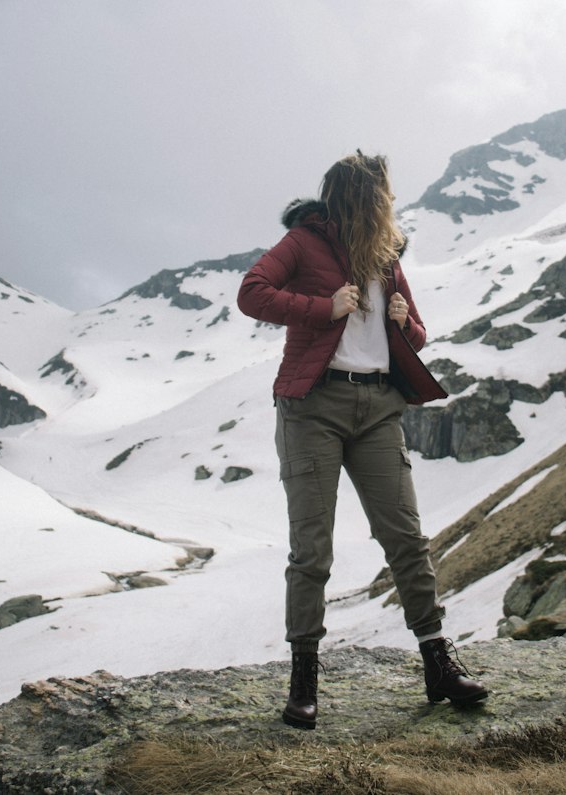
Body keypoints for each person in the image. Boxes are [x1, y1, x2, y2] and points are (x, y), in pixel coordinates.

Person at [237, 151, 487, 729]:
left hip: (379, 406)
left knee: (406, 538)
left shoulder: (386, 253)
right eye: (380, 197)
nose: (387, 206)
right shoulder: (304, 241)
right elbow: (252, 292)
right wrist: (322, 307)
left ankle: (439, 666)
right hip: (313, 407)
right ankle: (304, 680)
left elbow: (415, 337)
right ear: (357, 197)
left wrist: (405, 323)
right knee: (313, 548)